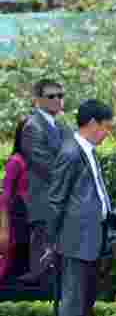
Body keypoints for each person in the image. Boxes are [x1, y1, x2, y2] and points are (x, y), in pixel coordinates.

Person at [47, 99, 115, 316]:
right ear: (92, 124)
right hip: (74, 240)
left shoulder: (87, 151)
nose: (108, 133)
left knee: (85, 301)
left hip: (90, 238)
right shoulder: (71, 152)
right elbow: (56, 200)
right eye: (106, 127)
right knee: (73, 299)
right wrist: (53, 241)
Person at [20, 78, 68, 285]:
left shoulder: (62, 126)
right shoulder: (33, 127)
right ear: (38, 100)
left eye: (60, 95)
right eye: (51, 96)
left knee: (58, 269)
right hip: (45, 203)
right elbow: (47, 166)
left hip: (61, 203)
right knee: (42, 272)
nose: (57, 100)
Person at [0, 120, 31, 282]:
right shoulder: (16, 161)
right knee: (12, 272)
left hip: (33, 225)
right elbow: (4, 198)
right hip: (17, 225)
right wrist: (4, 230)